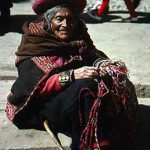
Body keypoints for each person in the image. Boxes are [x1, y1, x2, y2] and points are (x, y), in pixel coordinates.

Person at [6, 0, 140, 149]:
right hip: (42, 105)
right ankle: (90, 143)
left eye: (70, 19)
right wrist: (73, 75)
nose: (65, 24)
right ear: (48, 21)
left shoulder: (78, 37)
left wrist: (103, 66)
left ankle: (106, 135)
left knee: (111, 81)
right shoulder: (35, 42)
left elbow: (93, 55)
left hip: (69, 99)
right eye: (59, 19)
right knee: (87, 87)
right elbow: (36, 85)